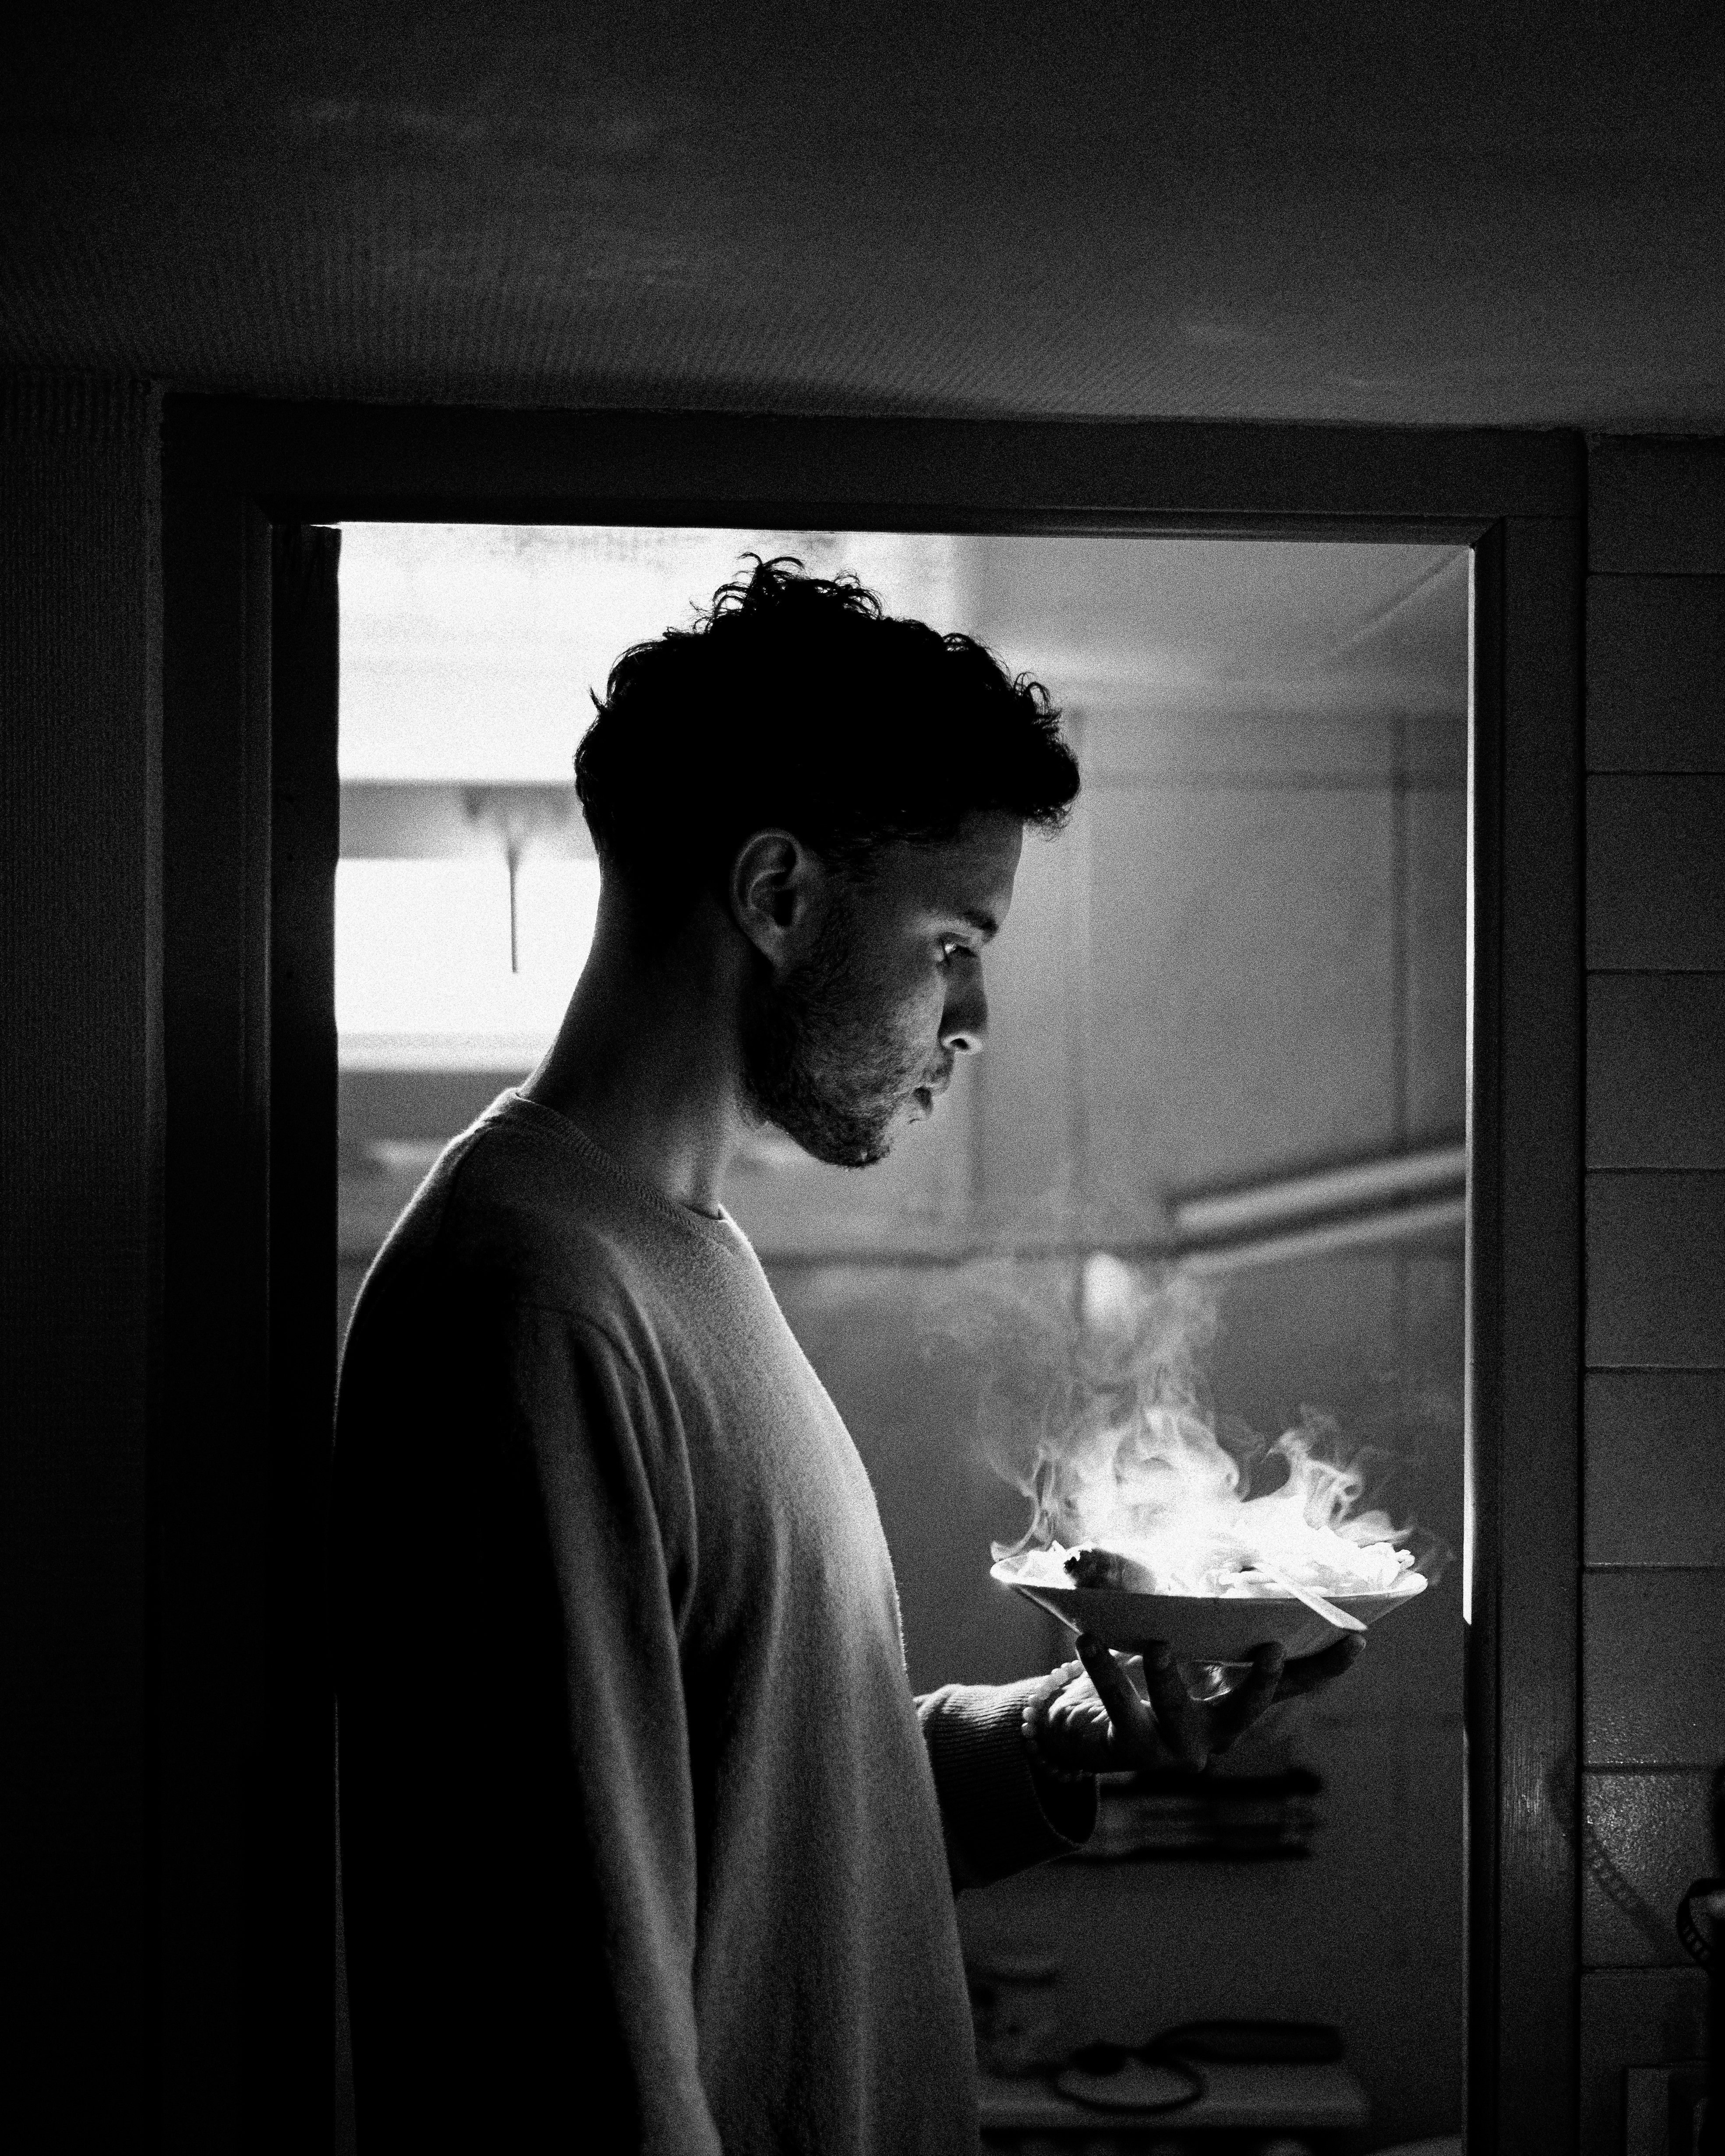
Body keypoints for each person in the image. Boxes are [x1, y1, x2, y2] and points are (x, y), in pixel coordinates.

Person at [332, 559, 1363, 2153]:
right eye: (953, 940)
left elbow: (771, 1811)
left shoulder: (690, 1258)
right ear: (779, 895)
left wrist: (1055, 1737)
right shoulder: (530, 1295)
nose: (976, 1016)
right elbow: (565, 2001)